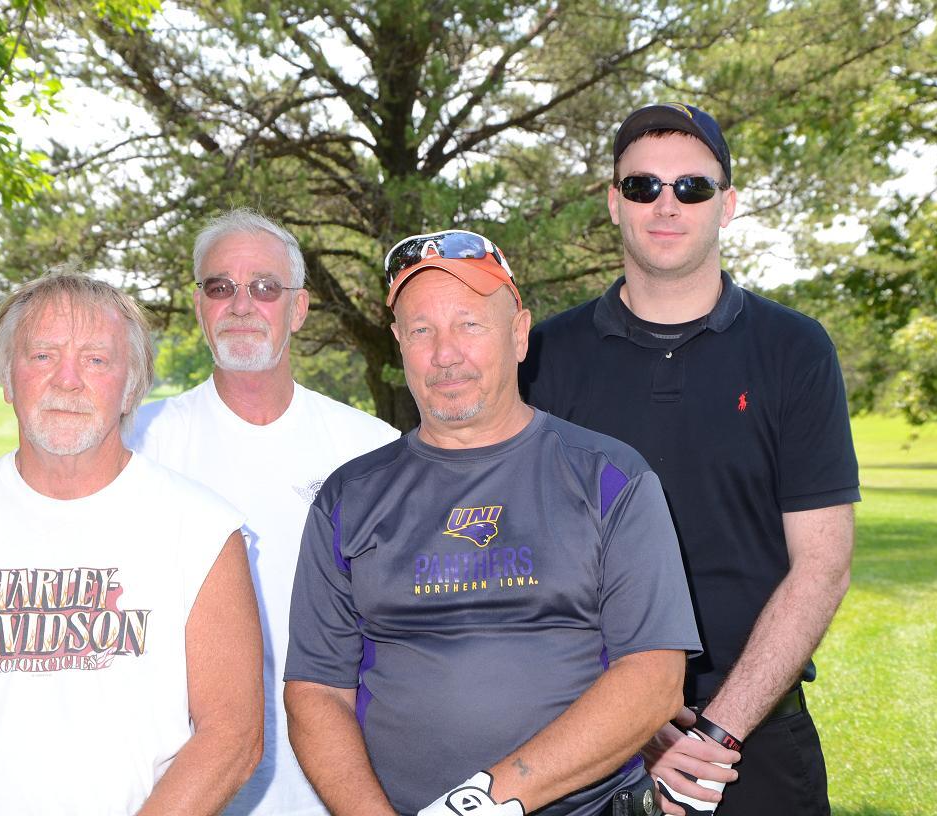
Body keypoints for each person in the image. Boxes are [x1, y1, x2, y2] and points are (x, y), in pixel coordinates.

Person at [283, 230, 702, 816]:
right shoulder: (348, 499)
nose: (445, 353)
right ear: (399, 344)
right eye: (421, 330)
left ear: (519, 332)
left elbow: (655, 678)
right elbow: (316, 691)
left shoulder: (609, 479)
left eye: (470, 324)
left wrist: (487, 801)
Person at [519, 103, 860, 816]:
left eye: (692, 188)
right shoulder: (545, 357)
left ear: (726, 205)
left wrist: (713, 734)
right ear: (614, 203)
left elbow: (822, 563)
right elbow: (528, 560)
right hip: (586, 732)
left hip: (752, 738)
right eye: (642, 187)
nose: (665, 205)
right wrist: (635, 719)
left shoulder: (793, 349)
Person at [0, 272, 264, 816]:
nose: (67, 381)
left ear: (132, 387)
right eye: (43, 356)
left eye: (96, 360)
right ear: (7, 378)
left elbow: (232, 735)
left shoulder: (205, 532)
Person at [128, 209, 399, 816]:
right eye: (220, 287)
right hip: (180, 787)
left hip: (335, 782)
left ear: (298, 309)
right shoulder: (139, 444)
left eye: (264, 288)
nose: (241, 304)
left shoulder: (369, 448)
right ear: (199, 306)